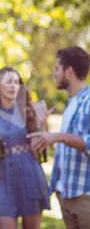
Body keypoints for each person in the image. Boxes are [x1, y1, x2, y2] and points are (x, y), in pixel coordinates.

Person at [28, 46, 90, 229]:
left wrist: (58, 136)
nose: (54, 74)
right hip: (66, 194)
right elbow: (61, 148)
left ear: (69, 71)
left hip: (85, 195)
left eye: (57, 68)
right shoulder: (72, 103)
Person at [0, 67, 50, 229]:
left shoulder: (29, 110)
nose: (13, 86)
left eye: (16, 82)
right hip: (3, 177)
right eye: (8, 82)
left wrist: (41, 122)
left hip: (29, 174)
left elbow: (38, 151)